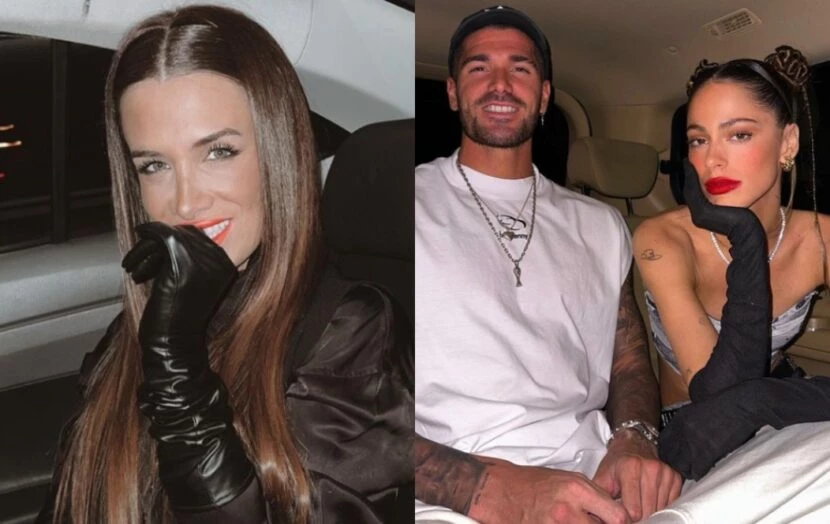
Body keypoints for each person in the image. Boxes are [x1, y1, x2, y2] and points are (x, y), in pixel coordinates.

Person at [36, 5, 413, 523]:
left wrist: (176, 366)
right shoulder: (133, 330)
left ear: (277, 151)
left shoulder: (354, 331)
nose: (186, 202)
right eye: (155, 165)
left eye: (218, 152)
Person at [414, 5, 681, 523]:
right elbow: (353, 408)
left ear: (543, 96)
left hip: (597, 478)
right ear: (452, 92)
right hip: (447, 496)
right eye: (478, 67)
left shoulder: (601, 225)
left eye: (520, 68)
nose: (499, 84)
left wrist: (635, 441)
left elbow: (628, 363)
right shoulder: (399, 201)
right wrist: (489, 490)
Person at [633, 46, 830, 481]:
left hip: (783, 408)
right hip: (694, 432)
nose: (711, 160)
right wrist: (744, 234)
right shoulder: (662, 238)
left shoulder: (820, 237)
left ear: (788, 143)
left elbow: (752, 400)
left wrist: (777, 396)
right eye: (698, 140)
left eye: (738, 135)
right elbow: (719, 395)